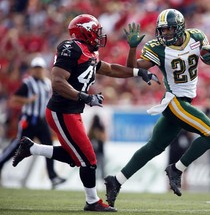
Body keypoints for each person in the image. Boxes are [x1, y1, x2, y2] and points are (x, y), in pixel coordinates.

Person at [12, 14, 160, 212]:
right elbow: (57, 82)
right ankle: (92, 201)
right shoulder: (70, 48)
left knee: (78, 158)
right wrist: (85, 97)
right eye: (96, 32)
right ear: (85, 32)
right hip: (61, 110)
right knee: (88, 159)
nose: (99, 36)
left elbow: (110, 69)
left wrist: (137, 72)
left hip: (72, 111)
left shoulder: (89, 53)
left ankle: (31, 148)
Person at [104, 8, 210, 207]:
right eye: (162, 30)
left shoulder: (196, 37)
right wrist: (132, 49)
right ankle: (177, 169)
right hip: (174, 102)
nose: (165, 34)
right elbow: (132, 69)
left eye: (169, 30)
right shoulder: (158, 47)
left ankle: (116, 181)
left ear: (179, 28)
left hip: (184, 103)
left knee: (154, 147)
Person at [0, 56, 66, 189]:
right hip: (28, 119)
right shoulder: (28, 83)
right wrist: (28, 101)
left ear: (43, 69)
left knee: (48, 146)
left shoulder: (47, 83)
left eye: (40, 68)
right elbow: (14, 99)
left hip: (41, 120)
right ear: (32, 70)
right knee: (17, 145)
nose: (38, 71)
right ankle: (0, 163)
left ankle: (52, 176)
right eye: (35, 68)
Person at [88, 114, 106, 180]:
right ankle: (92, 180)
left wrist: (98, 134)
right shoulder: (92, 128)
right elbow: (88, 137)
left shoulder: (101, 128)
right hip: (93, 152)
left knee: (102, 168)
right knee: (93, 168)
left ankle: (103, 181)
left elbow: (104, 138)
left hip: (100, 151)